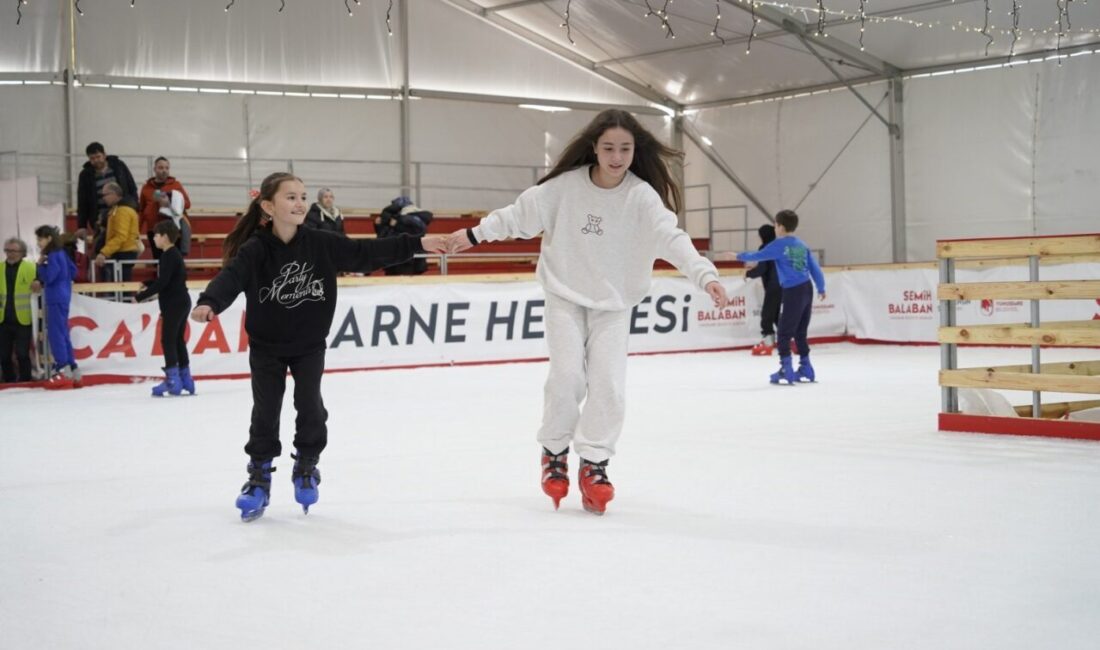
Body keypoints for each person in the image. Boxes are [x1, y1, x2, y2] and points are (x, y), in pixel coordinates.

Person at [444, 108, 729, 516]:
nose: (617, 156)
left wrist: (706, 276)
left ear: (635, 151)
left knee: (609, 385)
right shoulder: (564, 188)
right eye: (609, 147)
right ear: (594, 147)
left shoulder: (641, 197)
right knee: (566, 376)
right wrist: (473, 235)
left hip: (614, 304)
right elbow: (517, 217)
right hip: (564, 294)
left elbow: (673, 238)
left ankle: (594, 461)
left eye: (625, 149)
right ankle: (555, 451)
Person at [190, 172, 447, 522]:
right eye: (290, 197)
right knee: (265, 411)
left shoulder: (321, 243)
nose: (300, 203)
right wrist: (210, 302)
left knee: (309, 405)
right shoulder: (256, 249)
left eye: (302, 196)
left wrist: (418, 243)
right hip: (266, 347)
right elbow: (231, 277)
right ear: (268, 206)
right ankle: (258, 476)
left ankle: (307, 464)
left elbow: (366, 252)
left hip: (309, 345)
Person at [735, 209, 826, 385]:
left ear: (781, 227)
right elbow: (815, 267)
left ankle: (786, 369)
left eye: (775, 225)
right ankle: (806, 367)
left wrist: (738, 256)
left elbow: (758, 256)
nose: (775, 228)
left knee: (784, 332)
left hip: (793, 291)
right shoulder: (801, 244)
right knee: (800, 331)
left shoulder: (779, 245)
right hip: (807, 288)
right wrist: (821, 287)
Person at [133, 220, 194, 397]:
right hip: (182, 300)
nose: (154, 239)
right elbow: (169, 279)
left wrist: (141, 296)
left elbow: (164, 282)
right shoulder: (174, 254)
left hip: (174, 302)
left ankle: (173, 381)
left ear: (165, 237)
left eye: (157, 235)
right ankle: (186, 380)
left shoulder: (168, 255)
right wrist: (147, 283)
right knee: (177, 340)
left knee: (168, 340)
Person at [34, 225, 80, 389]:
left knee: (55, 333)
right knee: (63, 332)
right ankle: (73, 369)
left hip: (54, 297)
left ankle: (62, 369)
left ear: (49, 238)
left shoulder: (52, 255)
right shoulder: (62, 253)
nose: (38, 243)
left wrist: (40, 266)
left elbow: (50, 277)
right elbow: (74, 271)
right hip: (64, 295)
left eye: (40, 239)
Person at [77, 142, 137, 249]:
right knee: (101, 247)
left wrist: (134, 207)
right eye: (92, 158)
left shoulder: (119, 166)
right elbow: (82, 201)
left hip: (122, 214)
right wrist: (82, 225)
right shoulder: (85, 175)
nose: (96, 160)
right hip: (100, 218)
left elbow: (131, 187)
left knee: (128, 246)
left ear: (104, 155)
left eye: (98, 156)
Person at [138, 157, 192, 259]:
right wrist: (138, 230)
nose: (164, 170)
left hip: (172, 230)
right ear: (154, 169)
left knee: (173, 260)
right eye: (161, 168)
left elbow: (188, 204)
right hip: (153, 229)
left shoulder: (176, 185)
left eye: (167, 168)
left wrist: (171, 201)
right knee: (158, 260)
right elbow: (141, 210)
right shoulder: (146, 188)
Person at [1, 237, 38, 382]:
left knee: (22, 354)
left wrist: (39, 281)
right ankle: (8, 383)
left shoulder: (31, 268)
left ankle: (25, 382)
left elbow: (42, 280)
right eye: (7, 250)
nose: (10, 254)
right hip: (3, 319)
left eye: (13, 251)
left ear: (22, 252)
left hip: (23, 318)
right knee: (3, 356)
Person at [744, 224, 782, 356]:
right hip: (784, 284)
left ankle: (768, 344)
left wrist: (748, 274)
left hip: (773, 286)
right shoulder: (779, 246)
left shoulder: (765, 248)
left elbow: (762, 268)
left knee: (767, 317)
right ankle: (790, 341)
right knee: (776, 316)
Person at [95, 182, 141, 283]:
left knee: (120, 288)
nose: (103, 198)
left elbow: (120, 236)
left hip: (122, 254)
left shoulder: (122, 211)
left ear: (113, 194)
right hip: (123, 253)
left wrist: (104, 252)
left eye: (105, 195)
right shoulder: (121, 209)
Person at [376, 196, 433, 275]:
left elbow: (416, 233)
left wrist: (396, 225)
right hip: (397, 257)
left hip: (406, 258)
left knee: (404, 281)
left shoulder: (407, 218)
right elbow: (383, 236)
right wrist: (378, 225)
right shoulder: (396, 217)